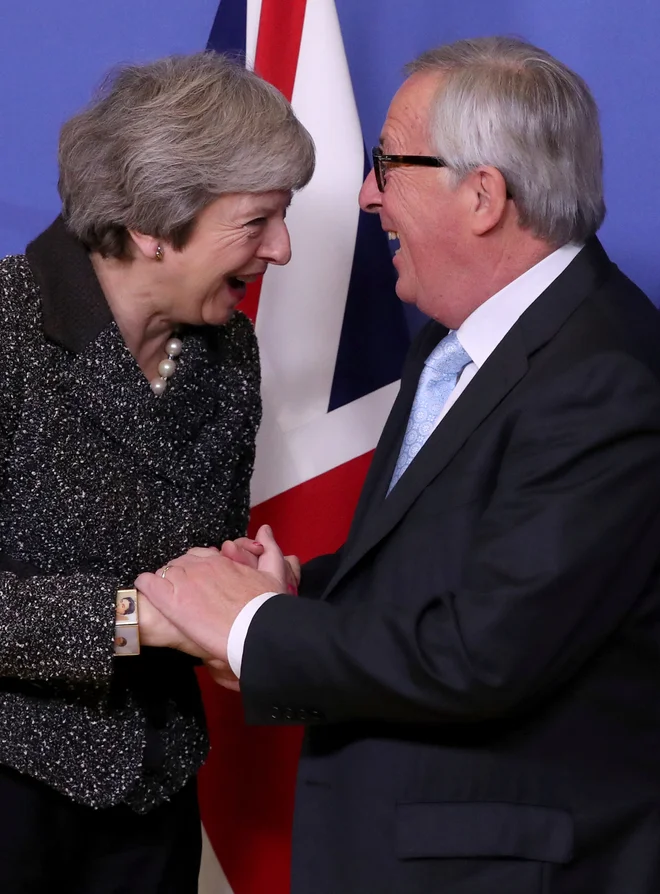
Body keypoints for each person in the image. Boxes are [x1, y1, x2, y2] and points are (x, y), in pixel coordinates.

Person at [138, 37, 660, 894]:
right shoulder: (459, 343)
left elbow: (482, 654)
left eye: (389, 164)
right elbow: (460, 559)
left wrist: (251, 627)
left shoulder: (607, 378)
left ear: (483, 195)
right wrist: (300, 586)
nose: (367, 193)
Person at [0, 51, 313, 892]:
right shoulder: (8, 330)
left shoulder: (228, 352)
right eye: (257, 222)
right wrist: (140, 621)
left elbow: (197, 555)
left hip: (154, 797)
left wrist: (242, 582)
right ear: (150, 226)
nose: (281, 250)